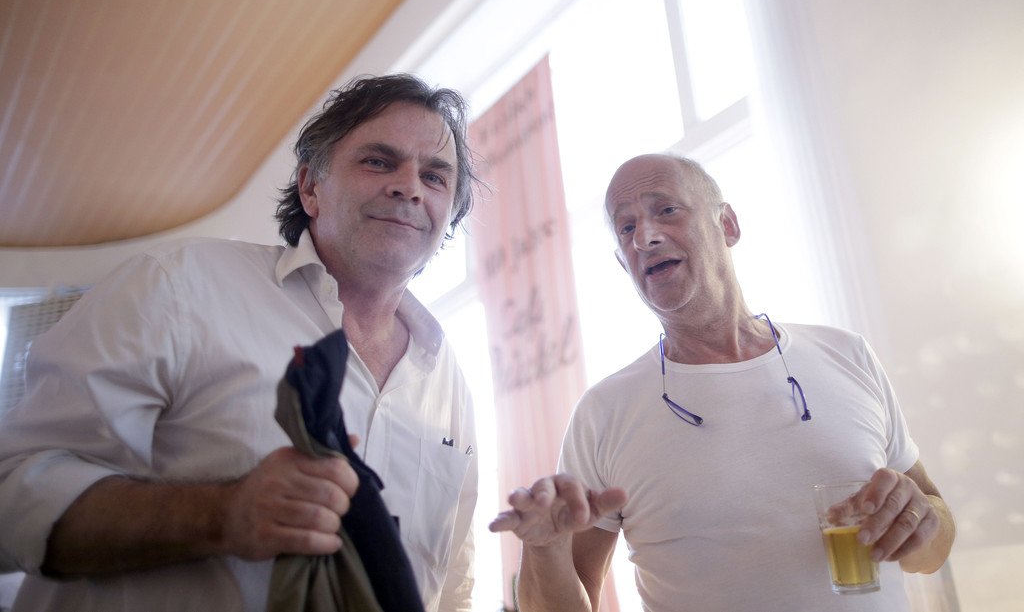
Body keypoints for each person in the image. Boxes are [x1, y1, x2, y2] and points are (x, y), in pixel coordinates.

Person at [0, 74, 479, 612]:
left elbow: (451, 586)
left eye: (435, 177)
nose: (410, 187)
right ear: (310, 188)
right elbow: (12, 493)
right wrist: (221, 515)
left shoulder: (451, 389)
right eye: (378, 162)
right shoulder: (176, 285)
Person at [489, 154, 955, 611]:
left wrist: (923, 520)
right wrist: (543, 550)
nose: (645, 237)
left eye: (666, 210)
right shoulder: (603, 412)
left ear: (727, 225)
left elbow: (934, 546)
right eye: (626, 227)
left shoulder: (847, 354)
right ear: (623, 262)